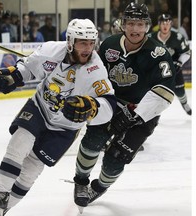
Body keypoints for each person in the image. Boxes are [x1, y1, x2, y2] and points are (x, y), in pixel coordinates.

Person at [0, 18, 117, 216]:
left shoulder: (95, 69)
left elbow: (109, 104)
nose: (88, 48)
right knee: (19, 142)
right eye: (83, 43)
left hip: (66, 127)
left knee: (31, 170)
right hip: (39, 108)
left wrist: (92, 106)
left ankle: (0, 210)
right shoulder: (51, 50)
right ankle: (1, 193)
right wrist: (12, 77)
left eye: (91, 43)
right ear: (70, 42)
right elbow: (27, 68)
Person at [72, 2, 176, 211]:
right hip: (110, 104)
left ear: (147, 26)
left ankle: (99, 187)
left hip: (142, 115)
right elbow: (93, 71)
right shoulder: (109, 44)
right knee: (92, 142)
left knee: (116, 160)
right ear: (123, 24)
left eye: (139, 24)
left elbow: (165, 92)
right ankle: (81, 181)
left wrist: (134, 114)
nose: (135, 29)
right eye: (130, 23)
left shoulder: (158, 53)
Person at [149, 14, 191, 115]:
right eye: (163, 22)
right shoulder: (150, 38)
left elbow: (187, 53)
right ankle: (150, 111)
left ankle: (184, 103)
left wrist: (180, 62)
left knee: (180, 91)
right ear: (159, 24)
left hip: (175, 69)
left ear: (171, 24)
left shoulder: (178, 37)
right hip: (157, 71)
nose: (165, 25)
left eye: (168, 23)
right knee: (152, 92)